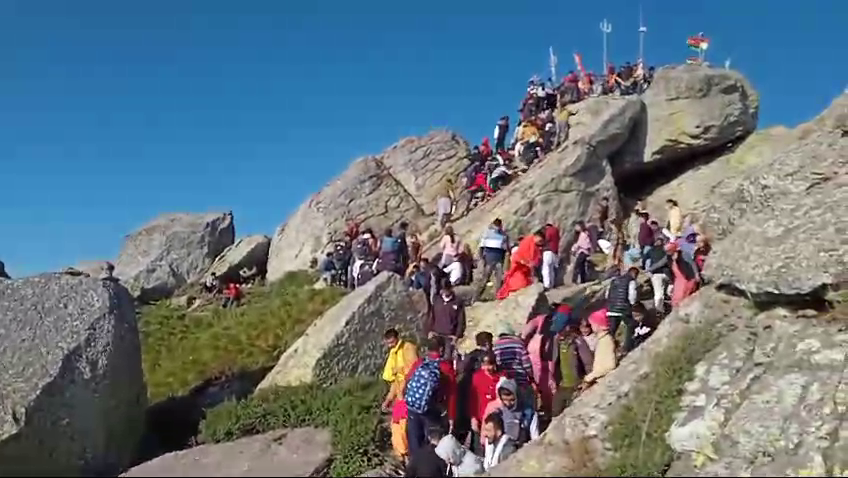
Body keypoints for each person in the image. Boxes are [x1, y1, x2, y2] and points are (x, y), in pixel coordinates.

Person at [403, 337, 458, 454]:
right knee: (433, 445)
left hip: (413, 408)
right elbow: (452, 395)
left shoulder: (420, 363)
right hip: (432, 411)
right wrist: (451, 417)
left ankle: (415, 467)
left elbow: (407, 380)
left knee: (414, 443)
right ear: (442, 349)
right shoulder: (445, 367)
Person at [381, 328, 420, 463]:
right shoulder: (393, 353)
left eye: (392, 342)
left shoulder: (408, 348)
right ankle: (401, 457)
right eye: (388, 343)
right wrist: (388, 400)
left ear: (397, 338)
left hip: (409, 396)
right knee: (396, 427)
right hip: (399, 398)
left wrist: (400, 370)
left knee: (404, 429)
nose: (391, 346)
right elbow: (394, 382)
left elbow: (414, 369)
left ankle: (409, 457)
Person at [492, 323, 538, 412]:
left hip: (506, 381)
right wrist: (531, 377)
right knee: (525, 406)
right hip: (521, 379)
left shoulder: (496, 346)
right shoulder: (518, 344)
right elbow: (526, 363)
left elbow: (497, 364)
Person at [482, 377, 540, 446]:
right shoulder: (499, 414)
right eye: (505, 400)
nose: (508, 403)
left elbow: (535, 438)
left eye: (512, 400)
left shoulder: (529, 414)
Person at [520, 314, 558, 416]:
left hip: (534, 351)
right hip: (547, 352)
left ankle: (540, 409)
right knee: (549, 384)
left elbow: (526, 331)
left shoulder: (541, 318)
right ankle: (550, 410)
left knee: (538, 384)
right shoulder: (560, 320)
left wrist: (523, 339)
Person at [468, 351, 504, 453]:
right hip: (481, 416)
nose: (487, 368)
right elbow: (473, 398)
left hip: (498, 419)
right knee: (480, 446)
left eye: (490, 365)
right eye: (484, 365)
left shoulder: (502, 377)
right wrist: (473, 417)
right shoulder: (477, 377)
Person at [496, 230, 544, 300]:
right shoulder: (528, 242)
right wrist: (525, 262)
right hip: (519, 268)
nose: (540, 243)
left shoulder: (533, 245)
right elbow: (518, 256)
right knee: (517, 284)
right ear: (536, 236)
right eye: (540, 240)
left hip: (524, 270)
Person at [426, 281, 466, 362]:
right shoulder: (437, 300)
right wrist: (429, 330)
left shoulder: (457, 302)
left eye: (447, 289)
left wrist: (457, 335)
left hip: (450, 336)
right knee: (433, 358)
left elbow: (461, 320)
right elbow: (431, 316)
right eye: (443, 289)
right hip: (436, 334)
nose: (444, 291)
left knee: (447, 359)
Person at [579, 308, 617, 390]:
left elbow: (610, 365)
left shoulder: (606, 341)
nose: (591, 327)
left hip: (606, 382)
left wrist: (589, 377)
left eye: (593, 324)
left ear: (599, 325)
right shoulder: (601, 340)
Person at [605, 266, 640, 353]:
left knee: (612, 330)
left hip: (611, 309)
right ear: (634, 273)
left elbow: (606, 295)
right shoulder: (631, 281)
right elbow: (632, 295)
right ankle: (627, 347)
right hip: (623, 309)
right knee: (631, 325)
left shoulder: (613, 281)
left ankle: (608, 348)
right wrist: (632, 304)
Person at [474, 218, 510, 302]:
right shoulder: (487, 233)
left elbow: (506, 249)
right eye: (496, 226)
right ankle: (476, 297)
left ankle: (498, 296)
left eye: (499, 226)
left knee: (499, 279)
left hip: (499, 259)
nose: (497, 228)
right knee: (484, 279)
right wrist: (482, 259)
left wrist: (506, 262)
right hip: (488, 259)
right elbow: (481, 247)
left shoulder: (504, 236)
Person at [668, 242, 699, 307]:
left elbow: (692, 264)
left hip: (687, 278)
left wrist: (696, 274)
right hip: (678, 279)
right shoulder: (668, 257)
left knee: (684, 296)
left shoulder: (684, 254)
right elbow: (661, 263)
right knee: (676, 297)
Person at [645, 236, 671, 312]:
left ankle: (659, 310)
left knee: (658, 293)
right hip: (667, 274)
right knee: (669, 291)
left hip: (656, 274)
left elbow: (644, 260)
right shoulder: (666, 250)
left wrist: (648, 269)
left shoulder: (651, 250)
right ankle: (670, 304)